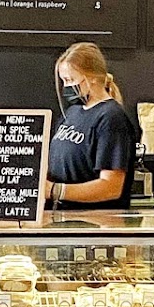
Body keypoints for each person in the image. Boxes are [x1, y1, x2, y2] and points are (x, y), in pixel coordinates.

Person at [44, 42, 138, 210]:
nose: (66, 87)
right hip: (63, 215)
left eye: (70, 80)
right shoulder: (73, 112)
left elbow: (111, 187)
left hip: (95, 219)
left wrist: (55, 190)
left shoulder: (111, 118)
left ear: (92, 77)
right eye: (63, 81)